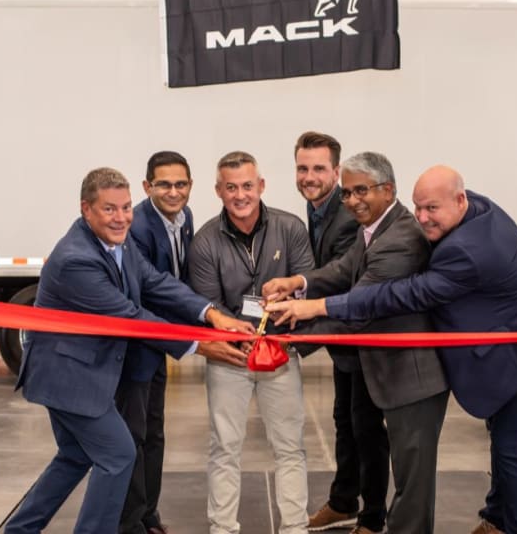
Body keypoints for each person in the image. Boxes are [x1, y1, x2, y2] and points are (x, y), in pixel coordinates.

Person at [266, 165, 517, 534]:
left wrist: (316, 307)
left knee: (511, 443)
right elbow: (351, 269)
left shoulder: (466, 251)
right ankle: (497, 518)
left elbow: (400, 295)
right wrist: (302, 284)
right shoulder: (474, 206)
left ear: (459, 200)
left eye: (432, 209)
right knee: (501, 432)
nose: (422, 218)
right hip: (512, 330)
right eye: (418, 207)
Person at [5, 167, 253, 534]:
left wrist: (212, 314)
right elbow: (131, 317)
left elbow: (155, 282)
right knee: (119, 454)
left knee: (75, 457)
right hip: (69, 379)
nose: (121, 218)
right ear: (86, 209)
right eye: (109, 209)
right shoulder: (76, 259)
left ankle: (19, 530)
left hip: (78, 374)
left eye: (125, 208)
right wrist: (201, 345)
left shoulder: (118, 242)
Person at [263, 152, 449, 534]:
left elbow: (359, 305)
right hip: (384, 367)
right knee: (371, 444)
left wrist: (292, 333)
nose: (351, 200)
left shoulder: (400, 239)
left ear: (388, 190)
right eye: (347, 193)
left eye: (361, 190)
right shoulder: (375, 228)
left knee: (412, 483)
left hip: (411, 376)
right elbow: (343, 269)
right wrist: (297, 282)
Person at [186, 151, 315, 534]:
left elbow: (306, 285)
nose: (240, 195)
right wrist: (243, 338)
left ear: (261, 186)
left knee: (290, 446)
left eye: (247, 186)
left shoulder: (290, 228)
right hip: (229, 357)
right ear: (218, 191)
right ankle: (222, 528)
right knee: (224, 447)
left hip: (280, 353)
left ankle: (295, 528)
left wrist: (284, 310)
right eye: (231, 188)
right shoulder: (205, 241)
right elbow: (210, 306)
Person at [293, 132, 385, 533]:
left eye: (319, 168)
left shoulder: (348, 217)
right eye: (302, 168)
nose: (309, 177)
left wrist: (295, 329)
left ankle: (373, 517)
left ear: (336, 171)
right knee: (345, 421)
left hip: (362, 336)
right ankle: (344, 500)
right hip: (343, 340)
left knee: (366, 428)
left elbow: (339, 279)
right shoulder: (317, 208)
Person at [116, 151, 196, 534]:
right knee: (132, 438)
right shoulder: (138, 227)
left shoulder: (185, 218)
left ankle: (148, 513)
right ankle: (129, 523)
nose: (173, 192)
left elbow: (181, 277)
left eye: (180, 184)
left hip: (161, 342)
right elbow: (151, 287)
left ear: (191, 186)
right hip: (137, 346)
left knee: (154, 433)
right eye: (164, 184)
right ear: (147, 186)